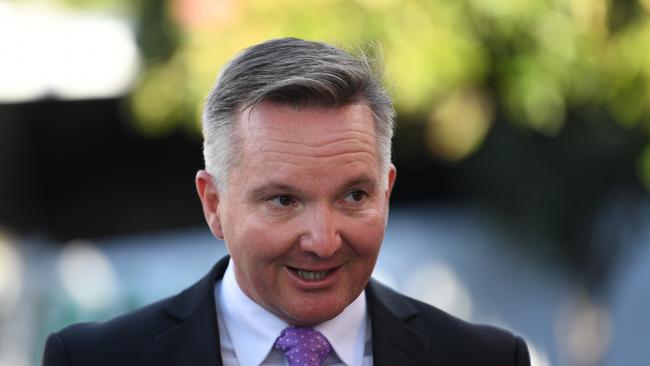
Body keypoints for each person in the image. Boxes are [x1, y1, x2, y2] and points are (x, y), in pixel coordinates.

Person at [43, 37, 531, 366]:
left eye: (354, 195)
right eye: (282, 200)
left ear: (388, 192)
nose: (322, 241)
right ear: (214, 204)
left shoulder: (483, 359)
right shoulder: (95, 359)